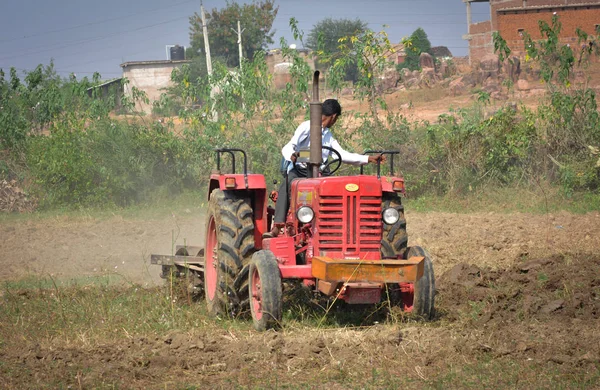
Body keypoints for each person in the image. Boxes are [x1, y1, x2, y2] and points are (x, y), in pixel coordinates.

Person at [265, 99, 385, 238]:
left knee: (335, 189)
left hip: (321, 173)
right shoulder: (306, 127)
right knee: (287, 183)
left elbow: (342, 155)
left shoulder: (328, 136)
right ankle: (278, 225)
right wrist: (291, 155)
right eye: (336, 119)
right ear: (333, 117)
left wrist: (368, 159)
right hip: (301, 171)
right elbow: (289, 146)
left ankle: (334, 226)